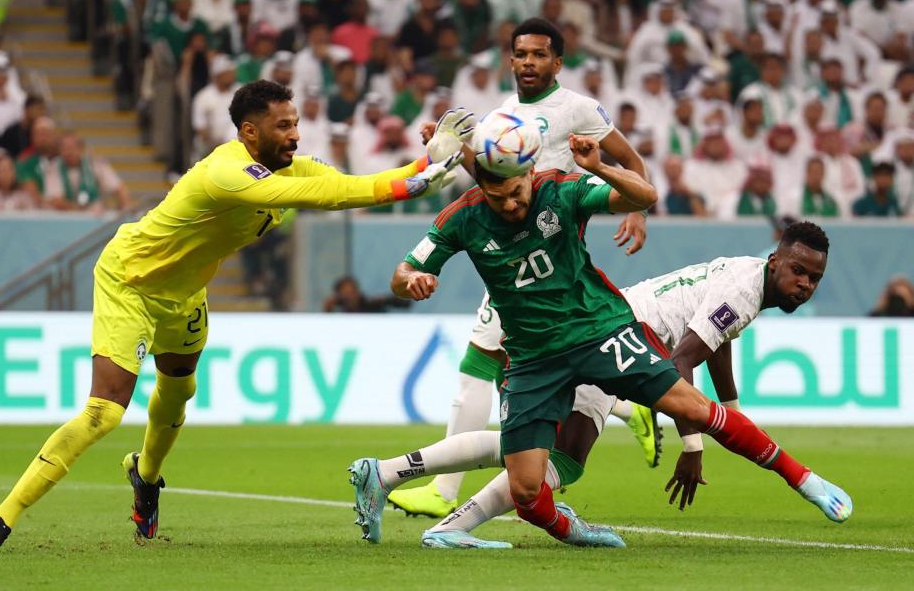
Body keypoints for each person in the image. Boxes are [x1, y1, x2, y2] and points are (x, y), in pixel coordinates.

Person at [0, 80, 462, 556]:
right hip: (130, 281)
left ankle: (146, 477)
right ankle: (1, 518)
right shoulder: (224, 172)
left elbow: (353, 182)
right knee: (106, 412)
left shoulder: (291, 166)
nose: (295, 133)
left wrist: (428, 158)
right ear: (249, 131)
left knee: (180, 390)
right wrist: (411, 185)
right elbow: (323, 197)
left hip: (183, 295)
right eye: (283, 126)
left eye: (295, 123)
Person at [349, 130, 852, 549]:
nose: (512, 203)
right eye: (498, 195)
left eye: (518, 190)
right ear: (481, 184)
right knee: (534, 481)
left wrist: (602, 165)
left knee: (635, 431)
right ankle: (434, 501)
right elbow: (404, 268)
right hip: (535, 356)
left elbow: (645, 198)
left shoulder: (561, 189)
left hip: (601, 330)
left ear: (529, 173)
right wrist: (409, 281)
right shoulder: (460, 215)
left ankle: (803, 478)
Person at [385, 18, 654, 520]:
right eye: (521, 53)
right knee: (504, 365)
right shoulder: (503, 115)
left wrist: (634, 208)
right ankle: (617, 402)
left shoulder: (576, 108)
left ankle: (446, 490)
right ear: (509, 60)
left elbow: (630, 161)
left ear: (557, 61)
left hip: (545, 250)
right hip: (512, 246)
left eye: (539, 54)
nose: (528, 62)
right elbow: (494, 179)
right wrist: (455, 149)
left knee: (478, 366)